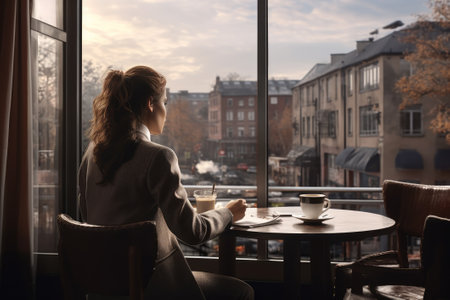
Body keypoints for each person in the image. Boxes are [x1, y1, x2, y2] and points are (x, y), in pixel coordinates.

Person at [78, 66, 253, 300]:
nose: (166, 111)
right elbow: (193, 231)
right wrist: (227, 213)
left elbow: (86, 216)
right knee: (241, 291)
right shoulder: (158, 157)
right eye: (166, 103)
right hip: (151, 287)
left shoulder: (92, 152)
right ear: (151, 103)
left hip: (102, 287)